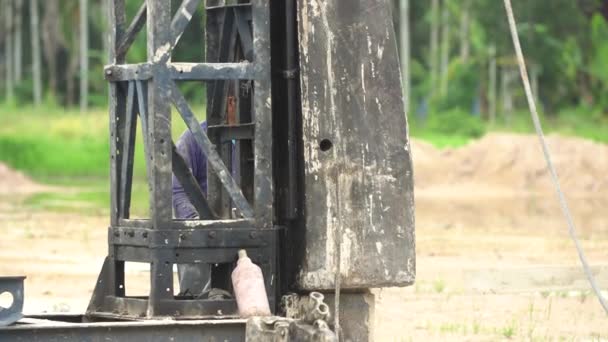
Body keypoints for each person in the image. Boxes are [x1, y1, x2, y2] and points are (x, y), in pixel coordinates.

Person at [172, 121, 211, 297]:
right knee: (196, 301)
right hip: (204, 236)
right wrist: (195, 222)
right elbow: (178, 189)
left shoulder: (263, 140)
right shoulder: (193, 139)